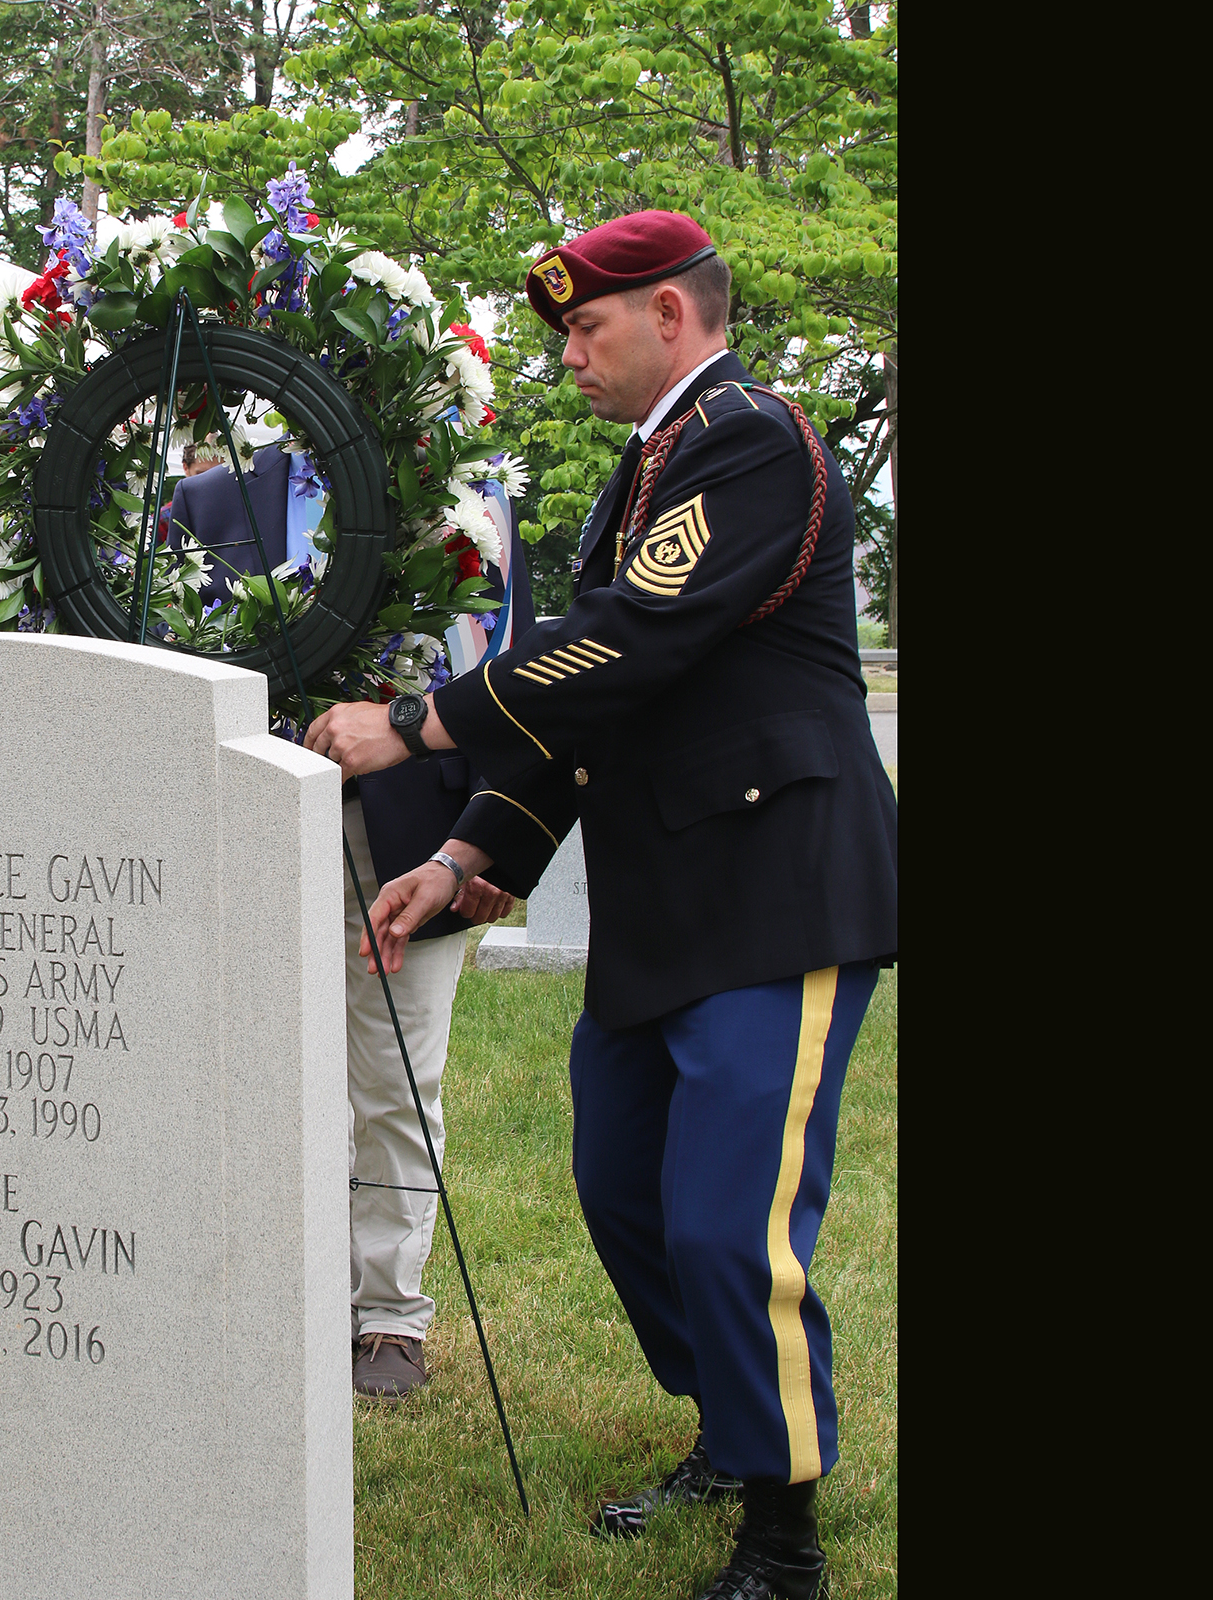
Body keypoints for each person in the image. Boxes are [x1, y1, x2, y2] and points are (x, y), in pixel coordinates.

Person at [301, 211, 898, 1600]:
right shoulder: (641, 479)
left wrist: (414, 721)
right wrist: (464, 860)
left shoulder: (749, 437)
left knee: (727, 1225)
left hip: (778, 895)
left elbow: (632, 644)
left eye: (588, 327)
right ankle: (734, 1429)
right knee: (624, 1189)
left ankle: (784, 1536)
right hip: (670, 901)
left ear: (673, 319)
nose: (569, 353)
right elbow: (589, 720)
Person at [166, 439, 530, 1400]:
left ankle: (388, 1316)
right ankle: (272, 1294)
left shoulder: (470, 497)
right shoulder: (210, 499)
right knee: (248, 1072)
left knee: (397, 1078)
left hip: (414, 834)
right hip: (245, 822)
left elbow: (507, 662)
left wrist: (485, 844)